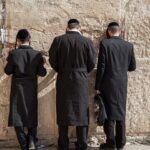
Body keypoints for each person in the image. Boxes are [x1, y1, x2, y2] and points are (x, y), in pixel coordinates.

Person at [49, 19, 96, 150]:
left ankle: (63, 144)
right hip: (80, 80)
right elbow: (92, 62)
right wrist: (82, 71)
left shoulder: (58, 40)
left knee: (63, 109)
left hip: (64, 79)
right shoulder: (87, 42)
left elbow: (52, 60)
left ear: (67, 27)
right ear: (79, 28)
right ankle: (82, 143)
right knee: (82, 111)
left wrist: (62, 70)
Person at [95, 22, 136, 150]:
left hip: (108, 83)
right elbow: (132, 67)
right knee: (120, 112)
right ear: (120, 31)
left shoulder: (105, 44)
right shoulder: (129, 46)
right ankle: (121, 142)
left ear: (108, 31)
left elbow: (101, 66)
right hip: (122, 84)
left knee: (109, 113)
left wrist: (97, 85)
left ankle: (111, 143)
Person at [4, 29, 47, 150]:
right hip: (31, 88)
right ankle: (32, 140)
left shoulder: (14, 54)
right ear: (29, 39)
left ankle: (23, 144)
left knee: (17, 115)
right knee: (31, 113)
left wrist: (8, 58)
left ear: (18, 40)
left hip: (18, 89)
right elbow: (42, 73)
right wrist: (43, 63)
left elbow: (7, 71)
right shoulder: (37, 54)